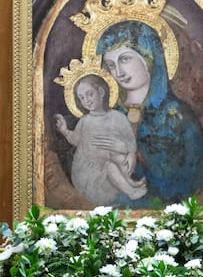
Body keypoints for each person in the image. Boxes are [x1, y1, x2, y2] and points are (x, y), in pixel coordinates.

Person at [96, 19, 203, 207]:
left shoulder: (177, 116)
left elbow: (195, 176)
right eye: (111, 65)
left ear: (149, 57)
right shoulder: (108, 115)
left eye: (125, 59)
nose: (118, 72)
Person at [54, 74, 148, 205]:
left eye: (89, 94)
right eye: (81, 98)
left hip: (112, 166)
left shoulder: (118, 117)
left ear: (101, 92)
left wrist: (130, 153)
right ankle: (130, 191)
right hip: (88, 171)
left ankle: (129, 182)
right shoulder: (85, 121)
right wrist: (65, 131)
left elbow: (130, 141)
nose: (86, 100)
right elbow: (76, 140)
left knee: (119, 158)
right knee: (110, 166)